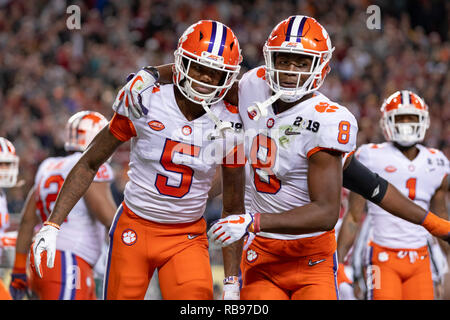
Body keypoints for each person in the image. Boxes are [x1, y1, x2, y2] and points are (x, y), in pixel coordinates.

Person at [122, 15, 450, 300]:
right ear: (269, 58)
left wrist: (436, 225)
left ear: (320, 65)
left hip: (311, 257)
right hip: (261, 253)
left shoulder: (328, 117)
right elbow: (204, 75)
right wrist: (151, 74)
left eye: (301, 62)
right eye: (283, 59)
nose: (290, 69)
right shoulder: (253, 83)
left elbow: (343, 200)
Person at [31, 20, 246, 300]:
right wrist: (53, 223)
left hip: (187, 235)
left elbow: (233, 205)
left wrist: (231, 280)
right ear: (182, 63)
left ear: (227, 77)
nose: (205, 78)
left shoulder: (234, 119)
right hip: (135, 225)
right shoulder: (147, 100)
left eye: (215, 73)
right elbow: (89, 162)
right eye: (199, 67)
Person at [336, 90, 449, 300]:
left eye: (412, 118)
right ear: (387, 122)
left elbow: (441, 218)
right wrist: (339, 261)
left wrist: (448, 261)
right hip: (381, 254)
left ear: (423, 121)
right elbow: (353, 216)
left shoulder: (437, 161)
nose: (406, 124)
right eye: (400, 118)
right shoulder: (370, 155)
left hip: (421, 256)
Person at [9, 111, 117, 300]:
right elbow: (108, 217)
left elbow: (27, 220)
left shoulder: (48, 165)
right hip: (68, 261)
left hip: (43, 259)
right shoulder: (86, 166)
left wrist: (19, 267)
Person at [0, 137, 19, 300]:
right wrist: (6, 240)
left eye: (8, 164)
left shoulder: (2, 195)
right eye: (1, 164)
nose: (5, 169)